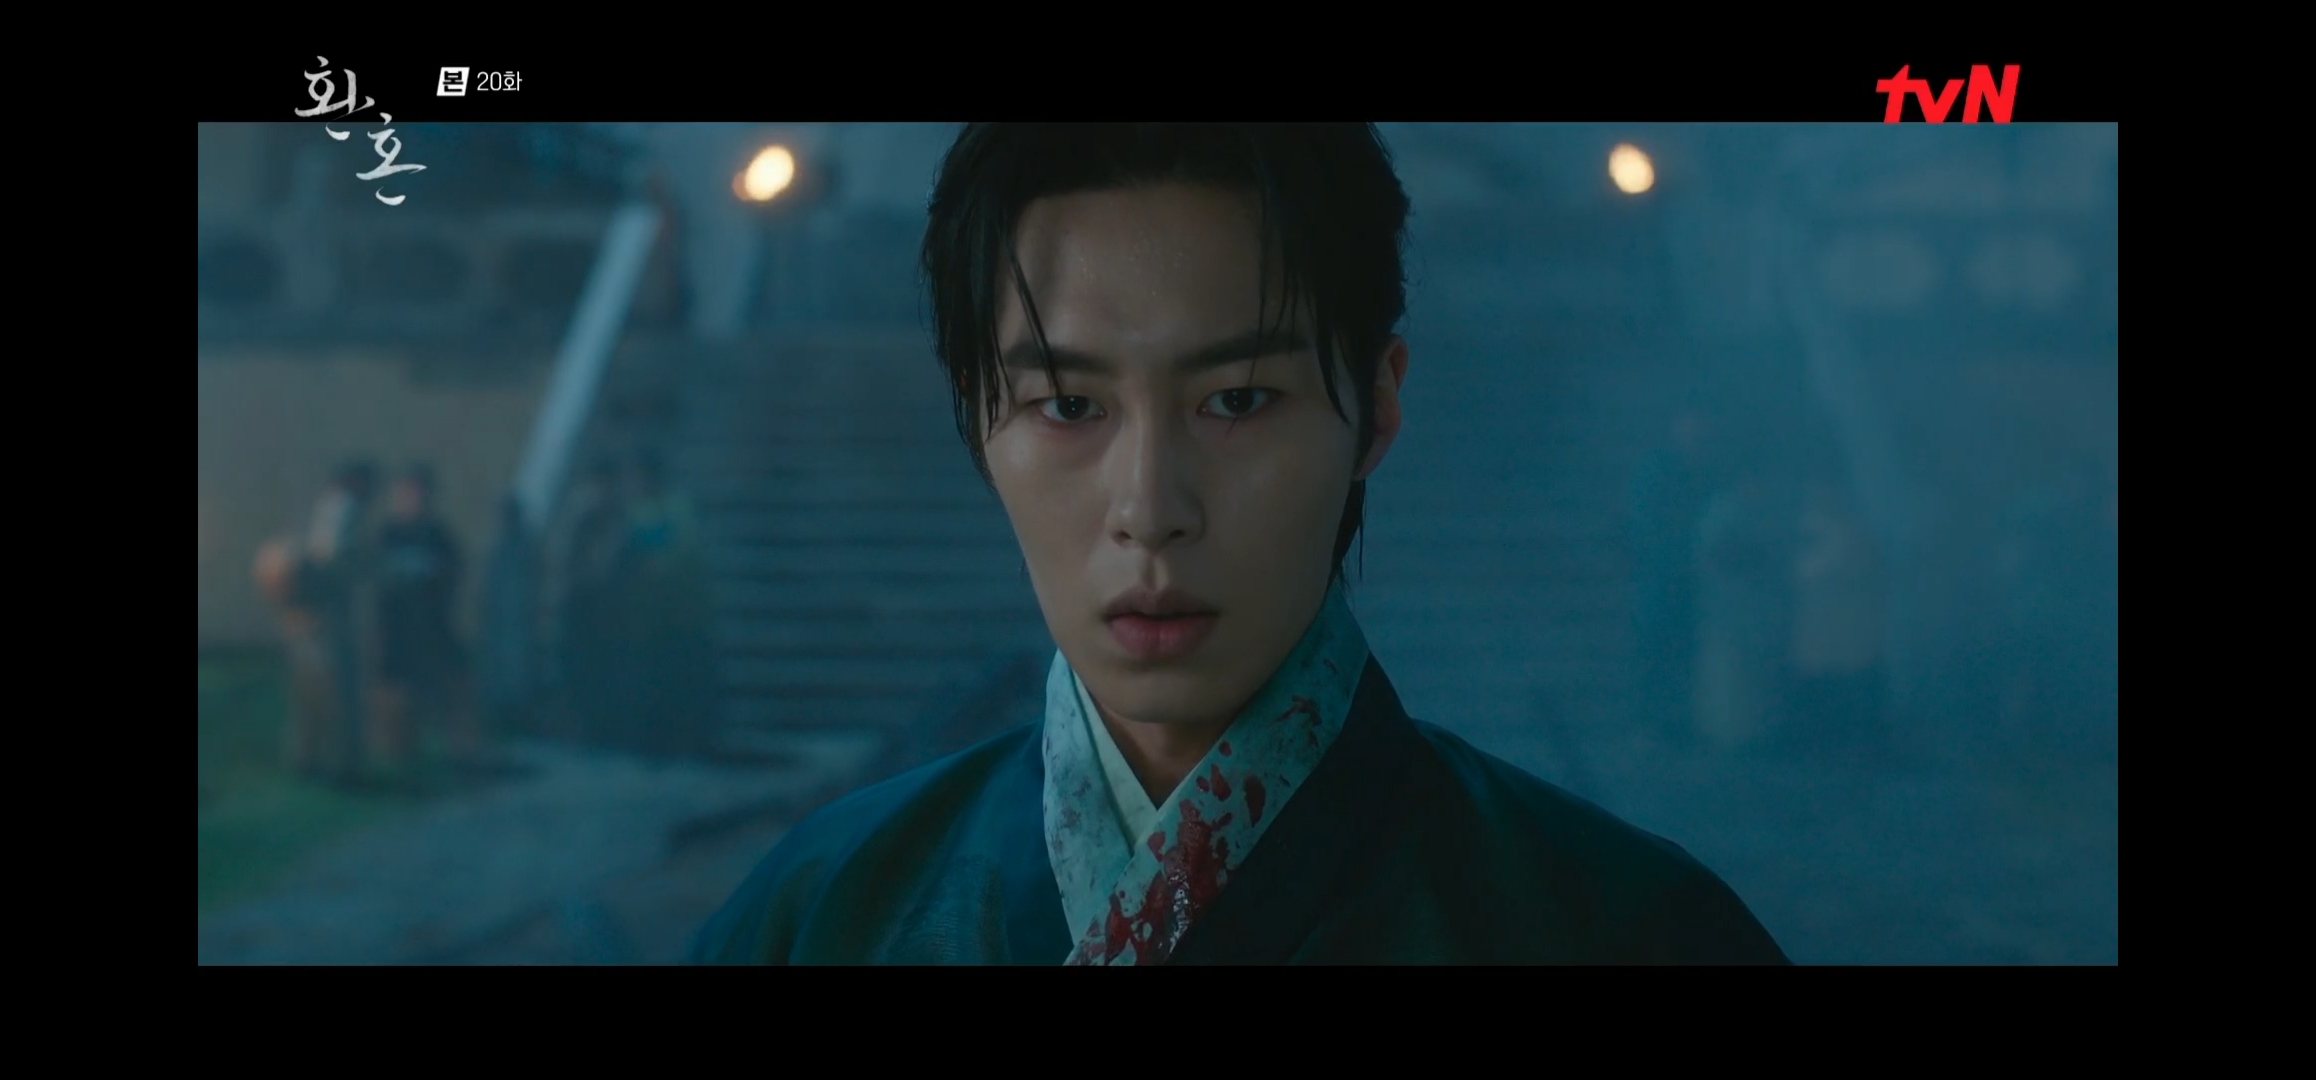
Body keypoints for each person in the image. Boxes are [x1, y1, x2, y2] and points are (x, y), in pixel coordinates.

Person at [692, 124, 1788, 965]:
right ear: (978, 414)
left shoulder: (1626, 928)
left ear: (1376, 408)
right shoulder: (822, 912)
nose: (1150, 507)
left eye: (1239, 399)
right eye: (1069, 406)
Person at [371, 464, 482, 771]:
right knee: (395, 696)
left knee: (449, 689)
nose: (413, 500)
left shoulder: (438, 535)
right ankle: (397, 753)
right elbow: (373, 576)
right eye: (407, 494)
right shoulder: (386, 535)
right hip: (396, 630)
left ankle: (460, 752)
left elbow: (453, 571)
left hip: (432, 627)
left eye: (419, 494)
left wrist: (432, 576)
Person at [1626, 396, 1718, 745]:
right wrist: (1679, 555)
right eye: (1690, 423)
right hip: (1661, 578)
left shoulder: (1706, 469)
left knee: (1686, 654)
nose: (1696, 431)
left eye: (1701, 424)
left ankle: (1680, 723)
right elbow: (1645, 526)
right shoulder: (1657, 469)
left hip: (1693, 581)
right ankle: (1651, 725)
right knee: (1657, 652)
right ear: (1675, 425)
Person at [614, 448, 718, 756]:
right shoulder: (634, 512)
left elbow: (686, 549)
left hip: (683, 616)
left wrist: (655, 567)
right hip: (648, 619)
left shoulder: (677, 507)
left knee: (681, 682)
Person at [1781, 470, 1889, 761]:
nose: (1818, 497)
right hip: (1817, 627)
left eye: (1825, 491)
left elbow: (1818, 570)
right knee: (1819, 686)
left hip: (1848, 630)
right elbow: (1801, 571)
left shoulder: (1853, 529)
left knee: (1847, 687)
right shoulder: (1806, 526)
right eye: (1814, 492)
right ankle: (1817, 748)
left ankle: (1851, 749)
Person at [481, 494, 541, 737]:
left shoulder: (526, 547)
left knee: (519, 671)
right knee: (502, 672)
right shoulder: (497, 548)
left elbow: (535, 583)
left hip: (521, 621)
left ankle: (519, 718)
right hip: (501, 621)